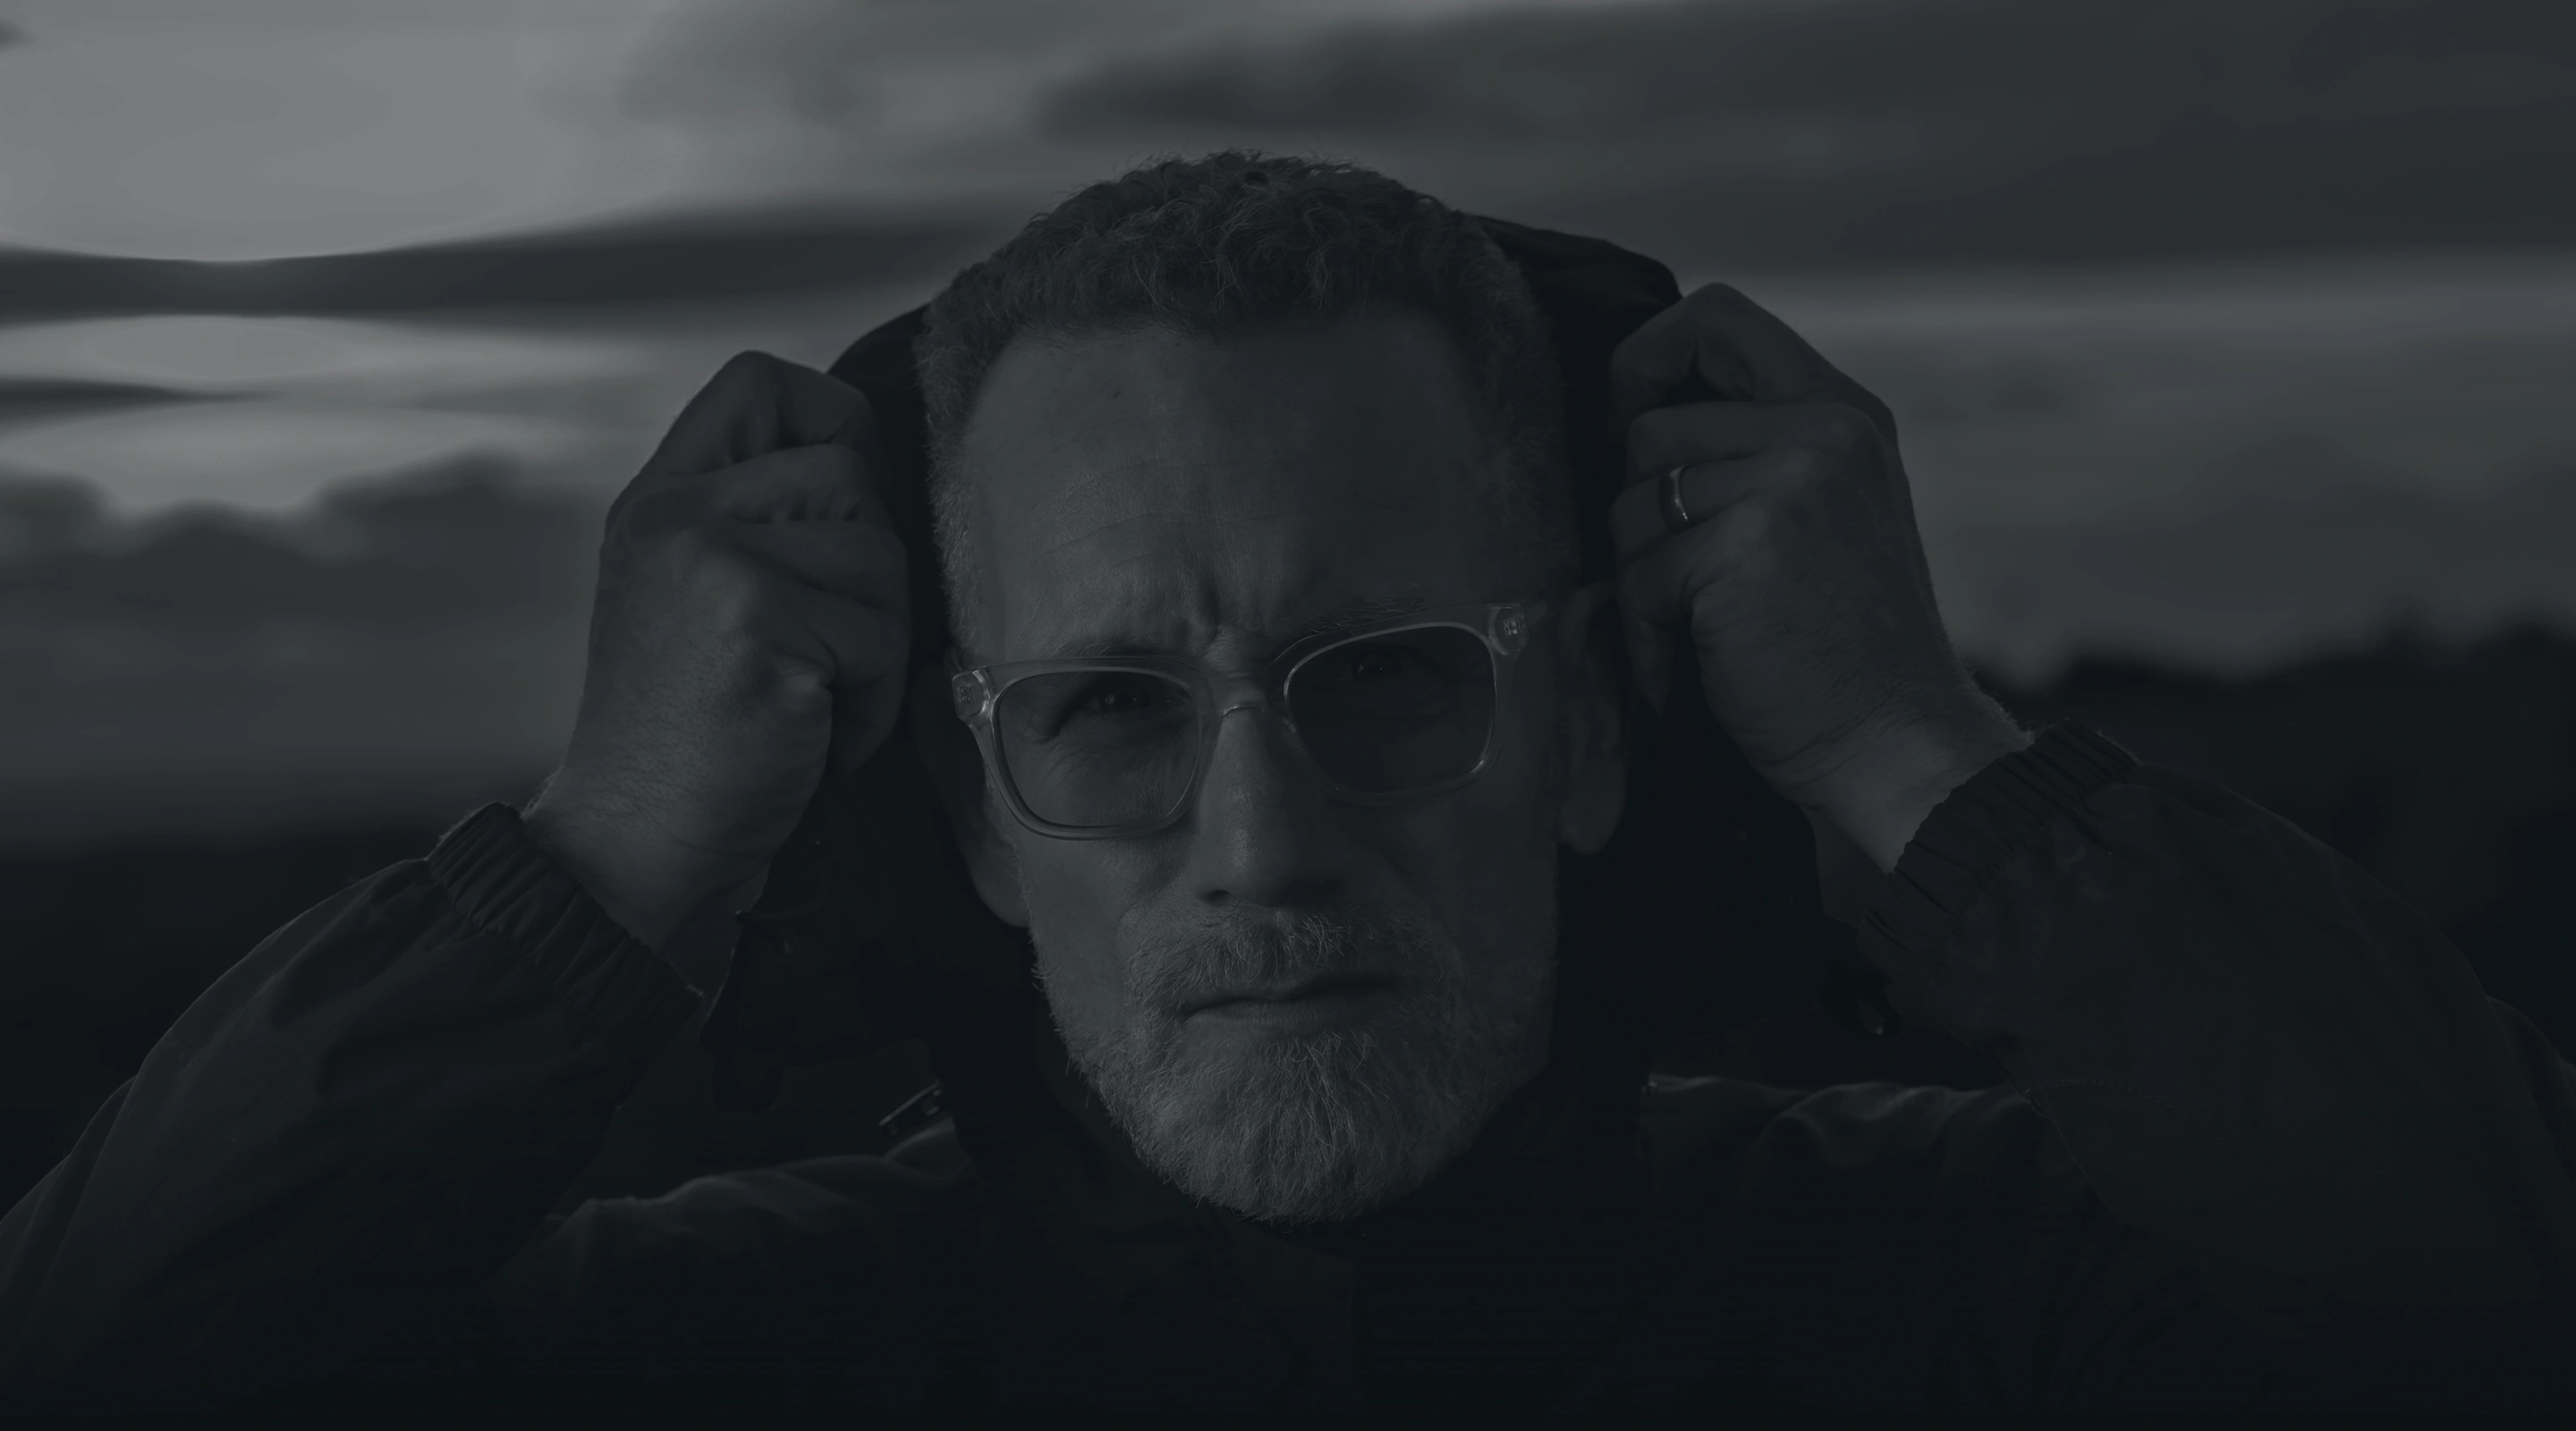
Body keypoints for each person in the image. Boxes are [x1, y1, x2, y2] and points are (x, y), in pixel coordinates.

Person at [2, 152, 2570, 1413]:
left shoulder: (1974, 1303)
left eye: (1393, 678)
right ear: (975, 816)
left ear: (1590, 736)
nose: (1261, 843)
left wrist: (1909, 748)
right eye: (1109, 708)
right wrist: (609, 851)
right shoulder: (728, 1353)